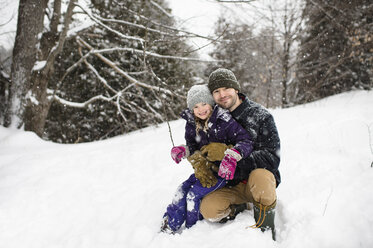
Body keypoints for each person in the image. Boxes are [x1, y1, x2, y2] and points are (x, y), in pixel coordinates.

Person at [200, 68, 281, 240]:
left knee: (261, 176)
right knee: (208, 209)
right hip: (230, 184)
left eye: (226, 88)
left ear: (236, 89)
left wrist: (229, 155)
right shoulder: (212, 120)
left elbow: (271, 158)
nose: (222, 95)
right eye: (216, 91)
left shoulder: (260, 116)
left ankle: (266, 231)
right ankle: (238, 208)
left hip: (255, 181)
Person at [161, 84, 253, 234]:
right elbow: (193, 146)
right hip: (206, 169)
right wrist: (184, 150)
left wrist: (231, 155)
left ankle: (193, 229)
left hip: (225, 172)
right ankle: (170, 224)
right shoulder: (192, 124)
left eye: (204, 104)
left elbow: (246, 141)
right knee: (182, 189)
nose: (201, 109)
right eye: (196, 106)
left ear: (211, 103)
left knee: (193, 195)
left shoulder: (224, 120)